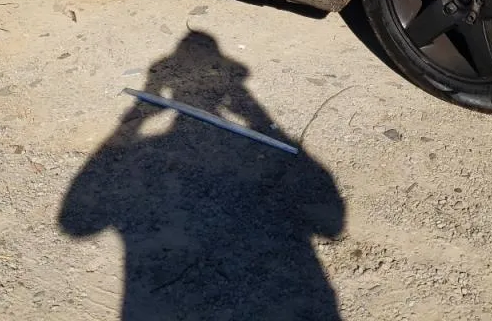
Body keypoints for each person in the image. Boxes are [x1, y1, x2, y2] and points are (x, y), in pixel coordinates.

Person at [58, 30, 345, 320]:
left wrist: (134, 120)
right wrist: (258, 117)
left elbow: (74, 222)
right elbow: (332, 224)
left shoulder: (146, 149)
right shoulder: (225, 150)